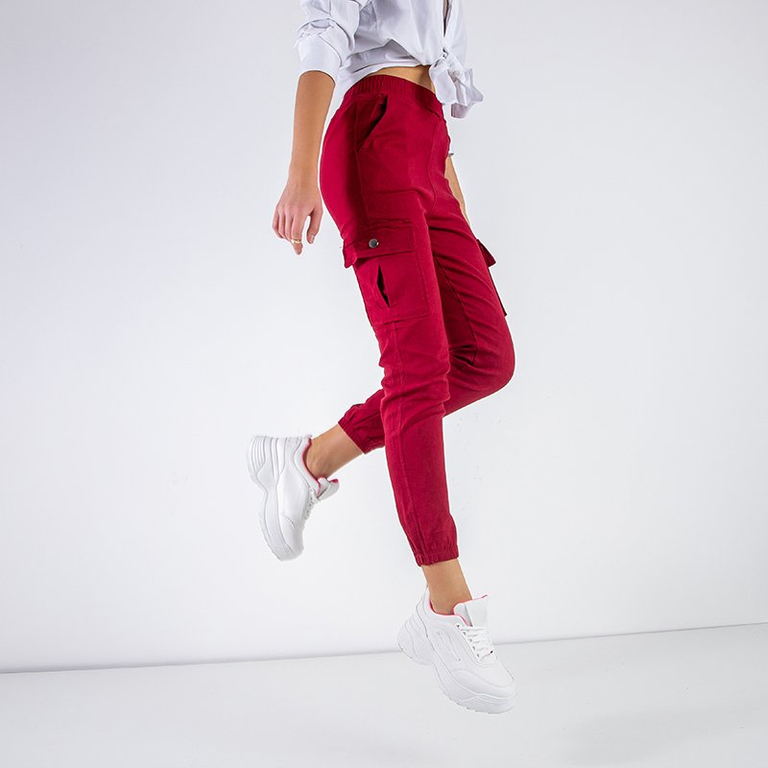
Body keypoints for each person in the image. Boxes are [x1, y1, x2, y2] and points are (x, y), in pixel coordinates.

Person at [247, 0, 517, 714]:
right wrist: (301, 171)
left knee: (485, 358)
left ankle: (310, 460)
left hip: (430, 152)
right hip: (373, 136)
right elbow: (323, 37)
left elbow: (437, 83)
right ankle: (445, 605)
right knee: (417, 370)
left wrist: (458, 215)